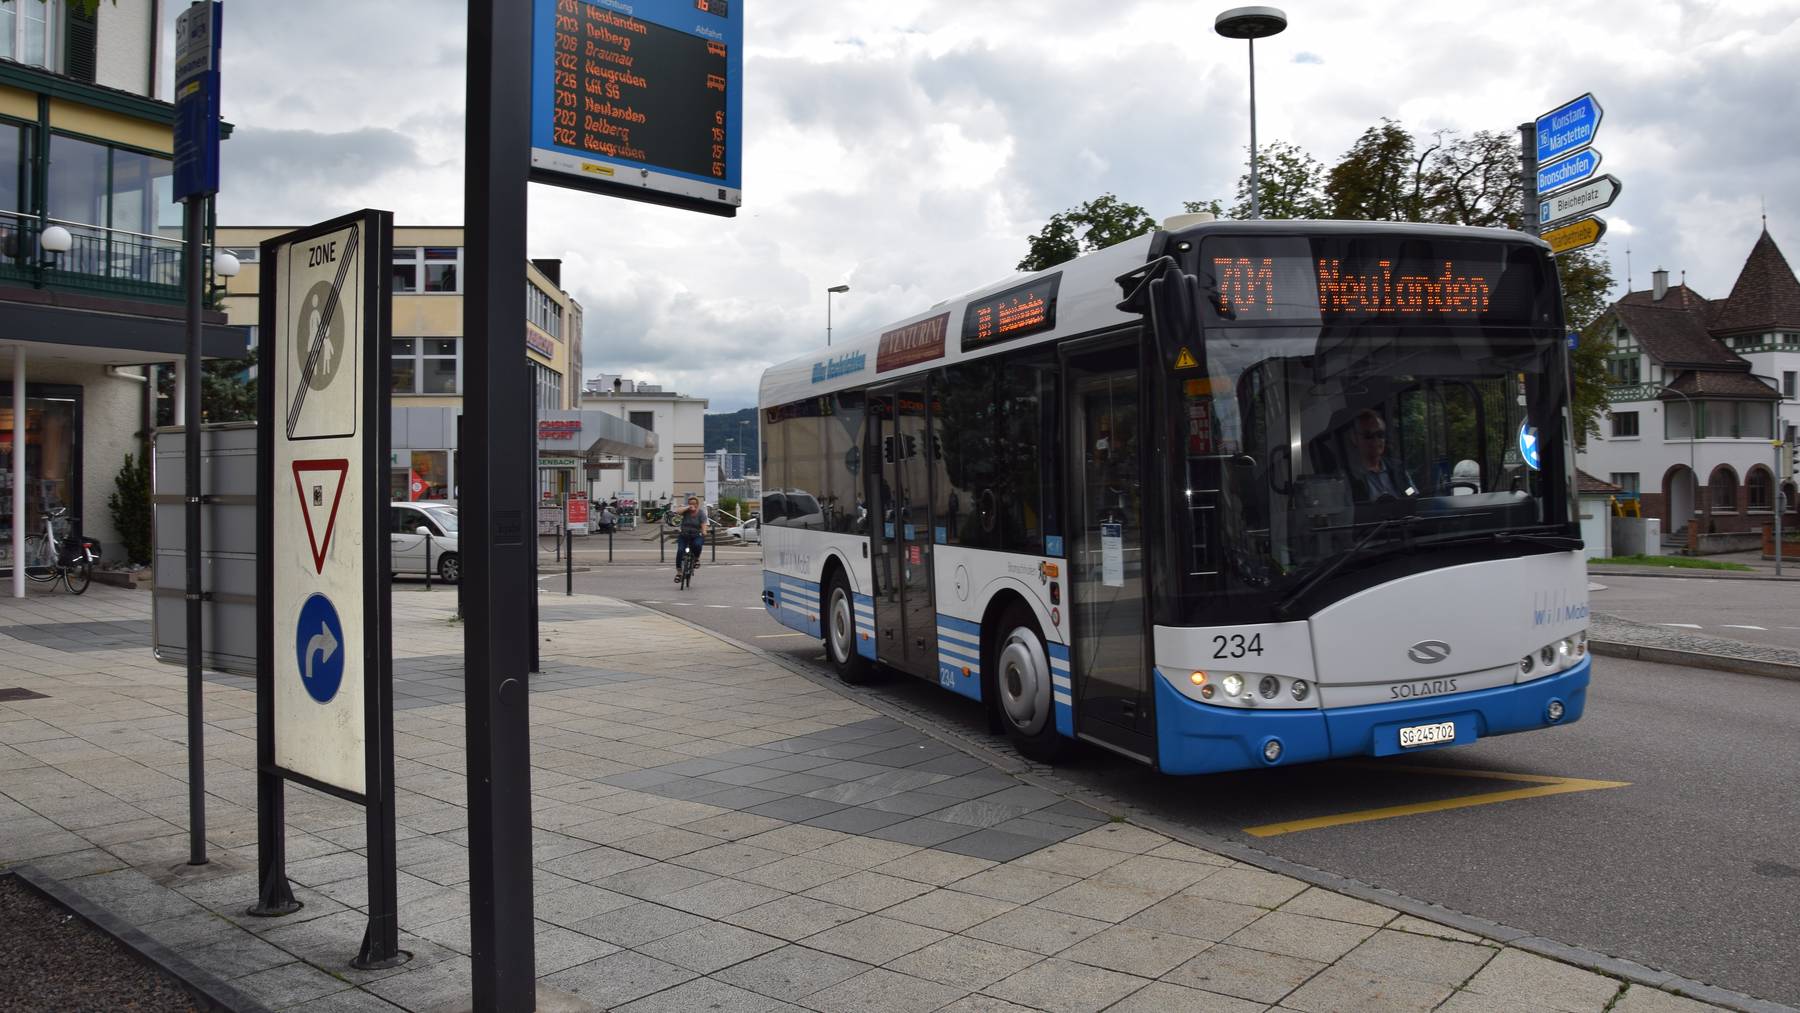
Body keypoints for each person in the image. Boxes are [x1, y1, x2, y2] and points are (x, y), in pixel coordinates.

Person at [1349, 409, 1416, 502]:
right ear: (1354, 438)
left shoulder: (1398, 469)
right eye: (1368, 435)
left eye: (1380, 434)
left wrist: (1410, 495)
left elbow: (1412, 495)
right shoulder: (1349, 477)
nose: (1375, 440)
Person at [673, 495, 709, 581]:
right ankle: (679, 572)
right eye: (690, 503)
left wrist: (704, 531)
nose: (692, 505)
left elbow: (704, 523)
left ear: (697, 504)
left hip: (696, 535)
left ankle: (696, 559)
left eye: (694, 503)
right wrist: (687, 508)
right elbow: (677, 511)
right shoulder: (686, 511)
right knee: (680, 551)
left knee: (697, 545)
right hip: (684, 535)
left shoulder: (701, 513)